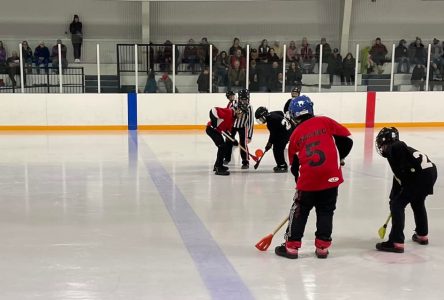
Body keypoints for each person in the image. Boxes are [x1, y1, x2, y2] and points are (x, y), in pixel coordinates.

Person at [275, 95, 353, 259]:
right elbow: (347, 141)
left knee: (299, 210)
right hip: (332, 176)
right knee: (326, 211)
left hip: (308, 179)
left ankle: (292, 246)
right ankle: (322, 248)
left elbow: (294, 166)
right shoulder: (325, 121)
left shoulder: (295, 134)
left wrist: (300, 185)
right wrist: (337, 158)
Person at [375, 127, 437, 253]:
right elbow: (398, 177)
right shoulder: (398, 154)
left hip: (419, 177)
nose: (381, 147)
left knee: (397, 205)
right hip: (430, 174)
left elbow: (399, 149)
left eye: (381, 143)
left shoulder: (395, 147)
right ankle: (422, 235)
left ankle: (396, 242)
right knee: (417, 202)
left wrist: (395, 201)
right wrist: (394, 195)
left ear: (386, 141)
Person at [255, 106, 292, 172]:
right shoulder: (272, 114)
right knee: (277, 147)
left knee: (277, 149)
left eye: (260, 119)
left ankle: (282, 165)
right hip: (286, 131)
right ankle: (280, 164)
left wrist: (269, 144)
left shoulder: (271, 122)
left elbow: (273, 135)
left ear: (264, 116)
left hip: (285, 134)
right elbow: (280, 112)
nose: (260, 120)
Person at [224, 89, 254, 169]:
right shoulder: (234, 105)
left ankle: (245, 161)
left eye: (245, 99)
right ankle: (227, 158)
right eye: (242, 99)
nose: (244, 101)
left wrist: (249, 136)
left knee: (243, 144)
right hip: (232, 126)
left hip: (242, 127)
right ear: (239, 98)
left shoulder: (250, 107)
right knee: (228, 141)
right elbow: (229, 117)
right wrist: (227, 128)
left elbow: (251, 122)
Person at [206, 106, 239, 176]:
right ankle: (218, 168)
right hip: (211, 130)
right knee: (222, 147)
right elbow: (213, 109)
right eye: (240, 112)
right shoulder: (229, 112)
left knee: (223, 147)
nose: (240, 114)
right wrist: (214, 121)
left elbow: (227, 132)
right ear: (237, 110)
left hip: (217, 132)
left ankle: (217, 165)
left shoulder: (233, 119)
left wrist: (233, 140)